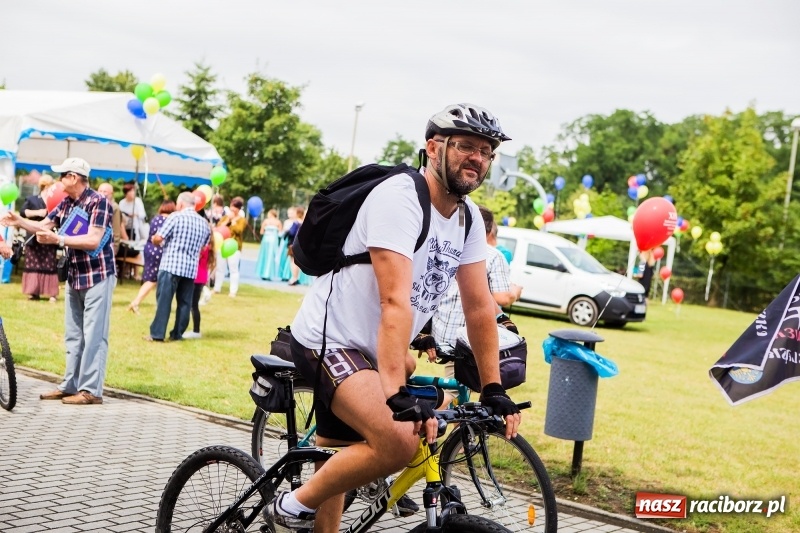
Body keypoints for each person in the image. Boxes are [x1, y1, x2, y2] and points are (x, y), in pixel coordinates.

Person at [271, 104, 521, 532]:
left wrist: (494, 386)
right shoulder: (400, 197)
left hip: (373, 349)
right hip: (330, 339)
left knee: (340, 451)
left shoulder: (466, 220)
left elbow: (480, 307)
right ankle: (290, 506)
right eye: (465, 146)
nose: (476, 158)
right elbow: (395, 302)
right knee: (399, 441)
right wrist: (394, 394)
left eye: (485, 151)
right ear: (433, 148)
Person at [1, 157, 116, 405]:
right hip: (75, 276)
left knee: (94, 335)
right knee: (73, 335)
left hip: (98, 276)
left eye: (62, 175)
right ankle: (69, 385)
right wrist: (19, 221)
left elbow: (94, 240)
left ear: (74, 177)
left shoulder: (99, 203)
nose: (58, 180)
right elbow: (44, 226)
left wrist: (59, 241)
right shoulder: (66, 202)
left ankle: (90, 391)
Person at [425, 206, 523, 375]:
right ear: (488, 229)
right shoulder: (492, 255)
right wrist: (515, 291)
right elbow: (500, 298)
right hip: (466, 339)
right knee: (455, 391)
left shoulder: (444, 247)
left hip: (439, 335)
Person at [145, 192, 210, 342]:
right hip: (190, 269)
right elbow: (203, 249)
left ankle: (157, 334)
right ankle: (177, 334)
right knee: (185, 303)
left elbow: (159, 238)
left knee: (164, 301)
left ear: (180, 204)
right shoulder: (204, 223)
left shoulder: (175, 217)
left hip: (171, 265)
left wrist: (154, 239)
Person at [127, 200, 176, 314]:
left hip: (149, 249)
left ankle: (159, 304)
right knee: (153, 280)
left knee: (155, 279)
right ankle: (136, 302)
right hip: (159, 250)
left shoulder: (156, 218)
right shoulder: (169, 220)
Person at [20, 174, 59, 302]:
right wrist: (38, 212)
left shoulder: (55, 200)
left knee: (49, 263)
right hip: (33, 236)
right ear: (45, 186)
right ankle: (33, 292)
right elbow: (22, 212)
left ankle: (51, 292)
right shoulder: (32, 199)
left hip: (49, 236)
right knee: (33, 264)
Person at [184, 230, 215, 339]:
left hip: (196, 277)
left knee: (193, 305)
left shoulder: (204, 248)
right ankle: (195, 330)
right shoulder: (209, 248)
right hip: (200, 277)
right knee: (193, 304)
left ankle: (196, 330)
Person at [213, 197, 246, 297]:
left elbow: (239, 230)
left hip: (234, 247)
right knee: (220, 268)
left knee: (233, 269)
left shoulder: (242, 220)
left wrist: (234, 222)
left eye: (235, 208)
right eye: (232, 207)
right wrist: (228, 220)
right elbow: (219, 227)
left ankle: (233, 291)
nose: (233, 209)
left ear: (239, 209)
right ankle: (217, 288)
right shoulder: (225, 217)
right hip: (222, 245)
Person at [255, 209, 283, 280]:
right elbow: (280, 233)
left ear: (270, 214)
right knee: (271, 256)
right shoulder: (278, 222)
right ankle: (268, 274)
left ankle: (264, 273)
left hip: (266, 240)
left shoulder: (266, 221)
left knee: (265, 255)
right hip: (273, 240)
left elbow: (261, 232)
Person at [286, 206, 305, 286]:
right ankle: (296, 277)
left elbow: (291, 233)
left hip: (293, 244)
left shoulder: (296, 222)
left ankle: (294, 278)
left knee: (293, 262)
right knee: (297, 262)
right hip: (300, 244)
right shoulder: (304, 222)